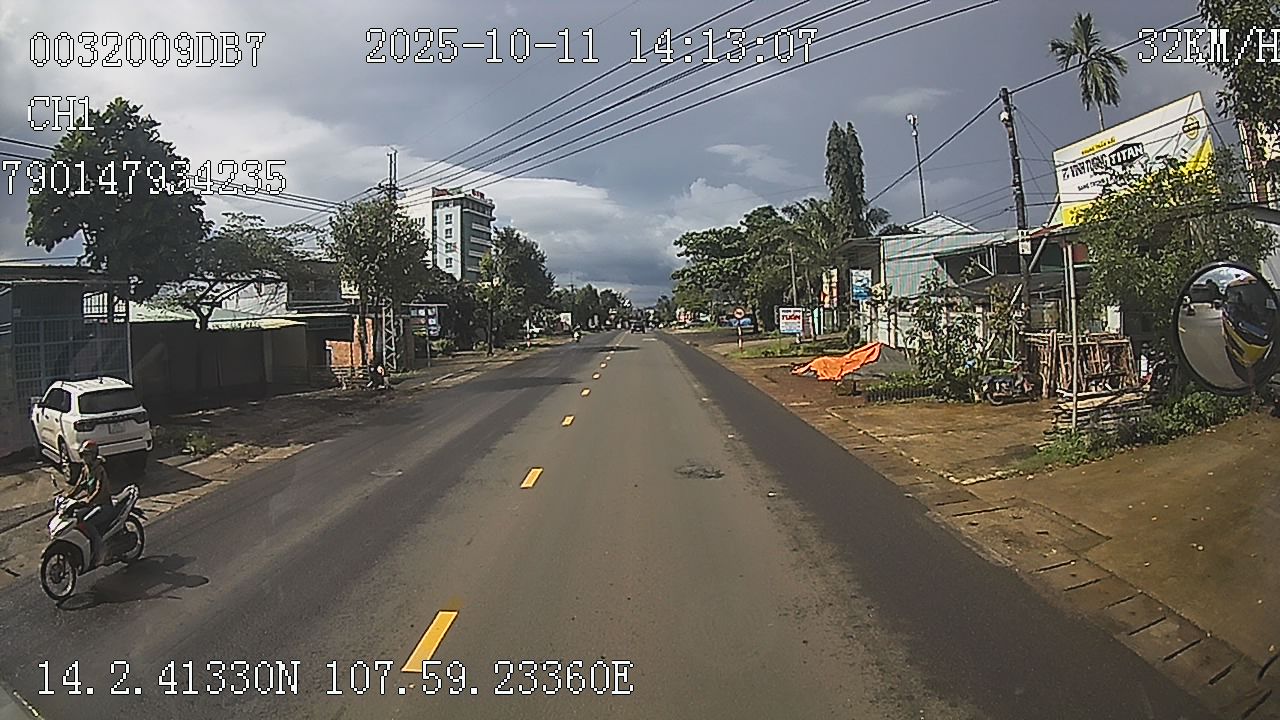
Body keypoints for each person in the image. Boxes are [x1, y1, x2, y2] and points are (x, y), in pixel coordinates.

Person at [68, 440, 114, 567]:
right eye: (83, 455)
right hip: (93, 506)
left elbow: (99, 490)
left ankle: (101, 551)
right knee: (76, 516)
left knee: (88, 523)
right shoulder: (85, 469)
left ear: (93, 455)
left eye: (87, 455)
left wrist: (88, 501)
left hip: (103, 506)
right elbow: (79, 486)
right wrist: (68, 496)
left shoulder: (99, 470)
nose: (84, 457)